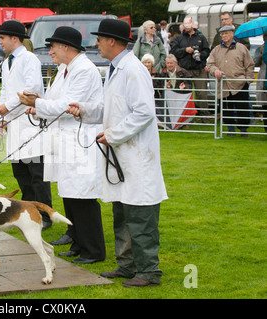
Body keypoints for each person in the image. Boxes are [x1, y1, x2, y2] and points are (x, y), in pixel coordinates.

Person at [67, 19, 168, 287]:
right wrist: (85, 110)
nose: (96, 43)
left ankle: (149, 271)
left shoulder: (133, 70)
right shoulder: (115, 69)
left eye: (100, 39)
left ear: (112, 41)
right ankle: (127, 266)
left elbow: (145, 112)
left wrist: (112, 135)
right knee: (122, 212)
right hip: (123, 156)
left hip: (136, 156)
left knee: (140, 216)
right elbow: (111, 109)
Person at [19, 26, 106, 264]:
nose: (50, 51)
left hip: (80, 139)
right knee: (69, 193)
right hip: (65, 138)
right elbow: (53, 101)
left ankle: (94, 250)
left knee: (83, 195)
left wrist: (38, 103)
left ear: (66, 47)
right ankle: (78, 242)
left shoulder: (85, 70)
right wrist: (38, 107)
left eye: (53, 46)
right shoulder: (65, 70)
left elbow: (67, 105)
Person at [0, 20, 53, 229]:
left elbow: (32, 88)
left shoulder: (29, 59)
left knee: (36, 173)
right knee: (20, 171)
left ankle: (45, 215)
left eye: (2, 37)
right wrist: (2, 117)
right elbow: (4, 90)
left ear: (14, 38)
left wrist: (7, 106)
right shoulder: (6, 61)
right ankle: (29, 214)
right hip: (14, 123)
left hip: (30, 122)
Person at [207, 25, 254, 137]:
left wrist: (248, 80)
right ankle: (230, 129)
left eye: (226, 33)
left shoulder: (241, 48)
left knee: (242, 107)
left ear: (232, 34)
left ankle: (243, 130)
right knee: (226, 108)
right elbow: (210, 64)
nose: (224, 36)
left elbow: (250, 64)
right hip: (224, 84)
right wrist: (215, 71)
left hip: (239, 83)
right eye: (222, 34)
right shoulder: (216, 50)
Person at [170, 16, 211, 122]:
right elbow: (173, 50)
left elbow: (207, 51)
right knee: (184, 94)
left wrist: (200, 55)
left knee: (202, 94)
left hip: (199, 69)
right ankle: (185, 119)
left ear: (193, 24)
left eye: (188, 24)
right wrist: (185, 50)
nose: (187, 27)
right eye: (185, 24)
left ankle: (205, 118)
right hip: (184, 70)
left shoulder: (201, 37)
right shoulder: (179, 38)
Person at [255, 33, 267, 132]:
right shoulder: (261, 49)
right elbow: (255, 62)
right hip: (263, 80)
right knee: (264, 106)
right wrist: (261, 54)